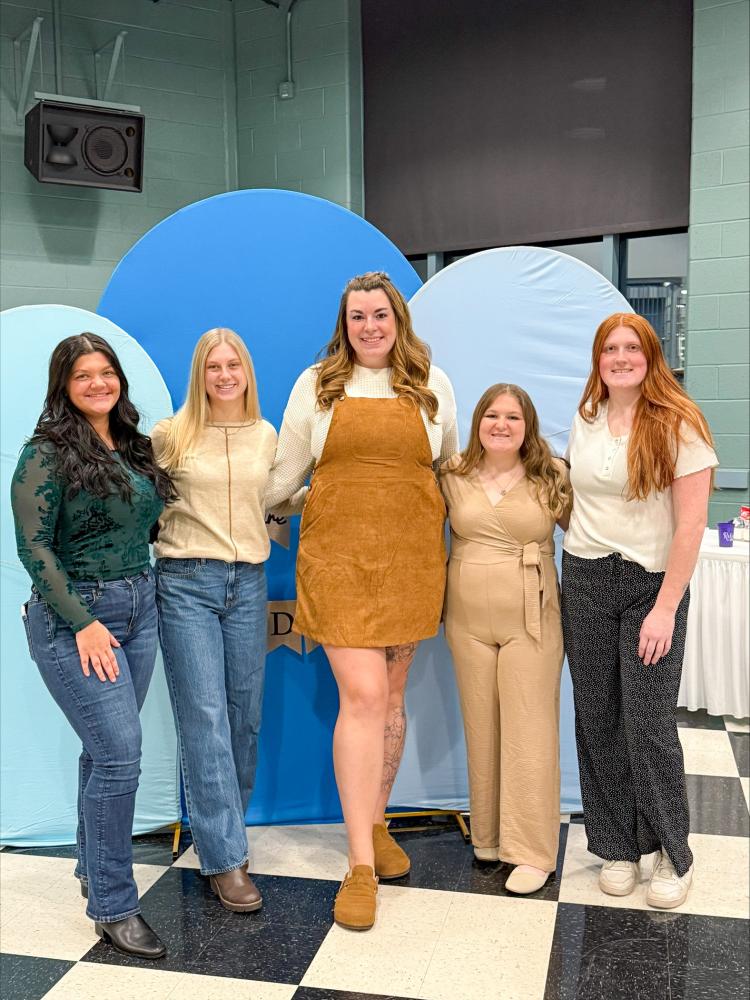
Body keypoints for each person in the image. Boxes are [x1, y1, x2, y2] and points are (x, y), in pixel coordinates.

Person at [266, 271, 457, 930]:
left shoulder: (432, 385)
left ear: (398, 320)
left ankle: (376, 822)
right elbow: (283, 479)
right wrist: (296, 498)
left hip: (411, 560)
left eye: (380, 315)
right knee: (366, 697)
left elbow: (448, 471)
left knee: (393, 698)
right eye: (358, 317)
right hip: (338, 562)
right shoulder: (317, 385)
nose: (370, 327)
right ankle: (359, 866)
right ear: (343, 325)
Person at [11, 334, 176, 959]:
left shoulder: (133, 444)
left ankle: (91, 867)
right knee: (119, 757)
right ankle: (113, 905)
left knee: (103, 751)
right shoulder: (46, 452)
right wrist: (82, 621)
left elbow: (147, 522)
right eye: (83, 375)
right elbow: (33, 547)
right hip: (76, 618)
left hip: (140, 607)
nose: (98, 384)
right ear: (64, 384)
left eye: (107, 372)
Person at [562, 312, 717, 909]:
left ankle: (673, 852)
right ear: (598, 360)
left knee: (648, 724)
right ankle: (619, 846)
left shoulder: (679, 423)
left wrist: (665, 608)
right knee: (597, 718)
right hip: (585, 576)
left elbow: (691, 525)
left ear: (651, 357)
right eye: (610, 349)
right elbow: (578, 502)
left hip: (652, 585)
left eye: (632, 348)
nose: (620, 358)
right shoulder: (586, 418)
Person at [151, 328, 284, 913]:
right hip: (186, 582)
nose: (225, 375)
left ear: (247, 372)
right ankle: (226, 859)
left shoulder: (266, 435)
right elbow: (140, 500)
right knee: (204, 717)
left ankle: (225, 834)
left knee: (243, 716)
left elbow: (273, 500)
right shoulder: (171, 435)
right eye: (213, 366)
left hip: (249, 582)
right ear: (199, 375)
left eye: (234, 365)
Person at [440, 384, 571, 894]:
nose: (501, 425)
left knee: (529, 729)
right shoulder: (451, 474)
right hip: (466, 619)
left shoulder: (552, 475)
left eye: (513, 417)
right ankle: (489, 837)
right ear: (477, 422)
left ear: (527, 426)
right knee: (481, 725)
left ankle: (532, 851)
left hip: (531, 617)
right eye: (492, 415)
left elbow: (588, 534)